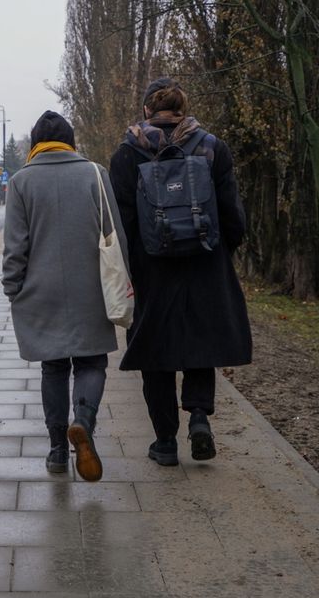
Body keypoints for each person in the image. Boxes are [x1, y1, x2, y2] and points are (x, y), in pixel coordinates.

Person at [108, 77, 252, 466]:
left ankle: (165, 442)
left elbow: (120, 221)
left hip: (151, 267)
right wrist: (224, 250)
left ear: (146, 111)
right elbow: (232, 213)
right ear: (183, 109)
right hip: (204, 261)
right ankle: (200, 416)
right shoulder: (212, 148)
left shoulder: (126, 154)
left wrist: (127, 268)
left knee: (155, 353)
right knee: (201, 341)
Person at [2, 111, 129, 481]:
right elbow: (114, 234)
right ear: (71, 140)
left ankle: (58, 450)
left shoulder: (21, 181)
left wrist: (13, 288)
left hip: (41, 292)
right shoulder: (95, 173)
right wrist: (126, 282)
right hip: (91, 289)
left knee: (53, 367)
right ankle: (84, 423)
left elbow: (15, 247)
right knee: (92, 364)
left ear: (34, 144)